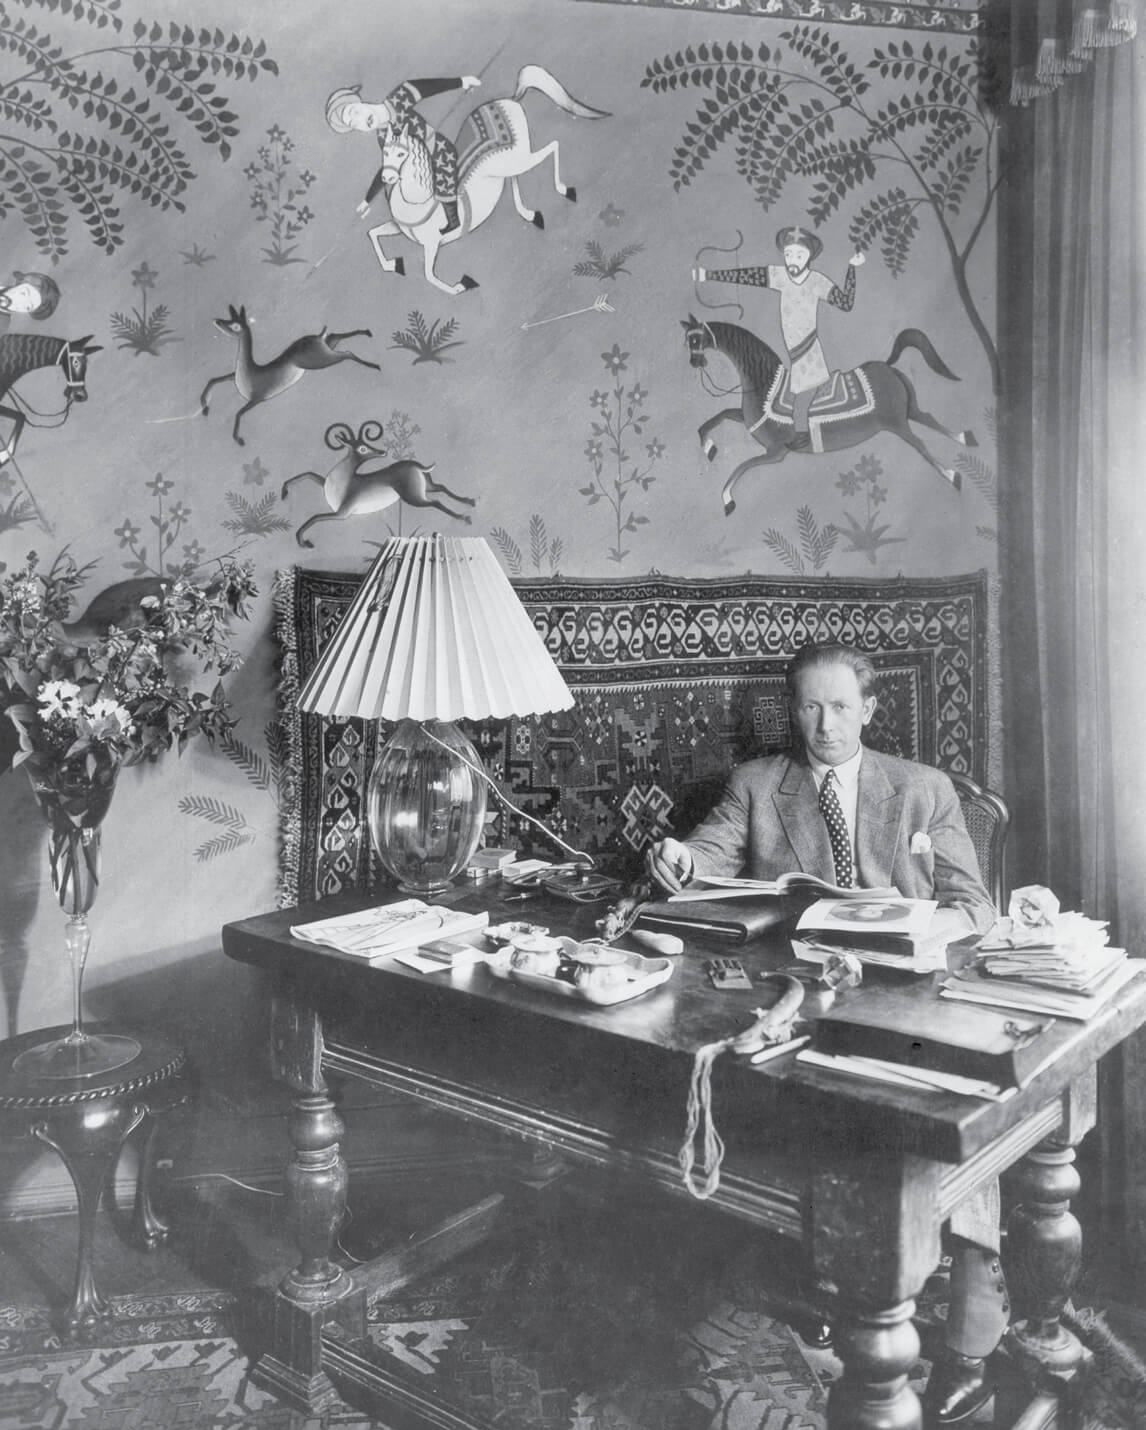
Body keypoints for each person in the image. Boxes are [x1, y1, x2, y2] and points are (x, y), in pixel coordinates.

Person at [647, 641, 1006, 1427]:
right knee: (783, 1098)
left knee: (952, 1119)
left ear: (870, 709)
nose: (825, 724)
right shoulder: (759, 785)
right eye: (809, 706)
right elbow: (704, 858)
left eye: (842, 706)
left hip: (910, 997)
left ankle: (972, 1341)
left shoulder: (921, 790)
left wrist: (915, 928)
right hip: (800, 994)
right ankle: (838, 1283)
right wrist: (679, 859)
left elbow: (975, 904)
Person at [692, 226, 864, 445]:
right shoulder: (780, 276)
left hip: (809, 353)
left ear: (809, 257)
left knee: (800, 402)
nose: (793, 260)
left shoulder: (817, 282)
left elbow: (846, 303)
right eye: (788, 254)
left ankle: (803, 439)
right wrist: (709, 275)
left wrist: (852, 268)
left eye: (799, 255)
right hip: (793, 355)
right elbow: (747, 276)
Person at [325, 75, 481, 235]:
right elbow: (388, 166)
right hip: (414, 164)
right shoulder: (383, 135)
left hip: (435, 148)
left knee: (444, 161)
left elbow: (429, 87)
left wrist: (461, 82)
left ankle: (453, 220)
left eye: (354, 111)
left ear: (359, 101)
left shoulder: (397, 100)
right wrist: (368, 199)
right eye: (354, 124)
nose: (360, 120)